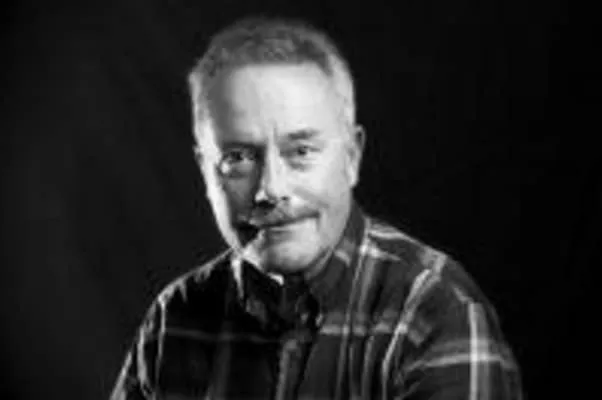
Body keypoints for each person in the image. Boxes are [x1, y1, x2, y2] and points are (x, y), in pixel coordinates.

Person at [110, 15, 523, 399]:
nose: (270, 189)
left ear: (352, 157)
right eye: (238, 158)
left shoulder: (434, 310)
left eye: (301, 151)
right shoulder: (173, 321)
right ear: (205, 170)